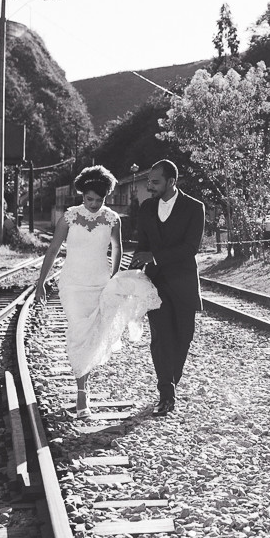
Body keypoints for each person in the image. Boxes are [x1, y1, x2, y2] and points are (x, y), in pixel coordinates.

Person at [34, 165, 160, 418]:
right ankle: (82, 395)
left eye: (99, 200)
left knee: (93, 336)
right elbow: (53, 250)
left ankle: (83, 391)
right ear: (82, 196)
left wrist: (114, 279)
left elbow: (117, 249)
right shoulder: (68, 217)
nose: (93, 204)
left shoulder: (112, 219)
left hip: (100, 284)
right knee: (79, 332)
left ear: (106, 198)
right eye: (89, 199)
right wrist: (40, 282)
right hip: (72, 285)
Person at [130, 159, 206, 417]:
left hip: (183, 284)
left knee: (183, 339)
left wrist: (155, 256)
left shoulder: (195, 208)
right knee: (161, 340)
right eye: (149, 181)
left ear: (171, 182)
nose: (149, 186)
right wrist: (131, 275)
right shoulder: (146, 208)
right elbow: (142, 247)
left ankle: (171, 384)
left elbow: (190, 248)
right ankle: (166, 394)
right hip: (156, 285)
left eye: (155, 182)